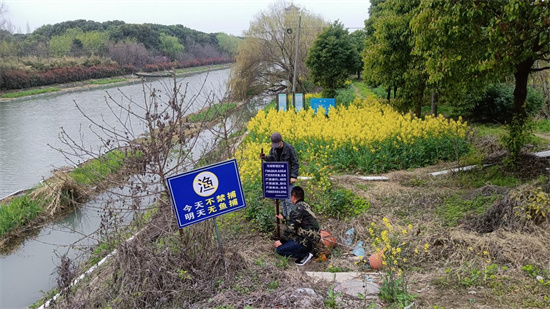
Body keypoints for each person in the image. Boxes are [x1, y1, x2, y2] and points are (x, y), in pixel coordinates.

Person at [274, 186, 320, 266]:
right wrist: (283, 219)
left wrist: (281, 241)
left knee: (279, 250)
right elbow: (295, 221)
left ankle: (304, 254)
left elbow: (291, 228)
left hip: (305, 240)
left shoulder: (297, 208)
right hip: (313, 239)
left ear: (293, 197)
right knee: (289, 242)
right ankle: (307, 251)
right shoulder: (305, 206)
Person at [260, 132, 299, 217]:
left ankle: (291, 220)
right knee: (282, 200)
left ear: (281, 141)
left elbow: (295, 163)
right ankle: (285, 217)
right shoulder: (273, 149)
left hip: (288, 178)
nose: (276, 146)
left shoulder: (289, 148)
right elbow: (272, 159)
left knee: (289, 200)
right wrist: (265, 157)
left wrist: (293, 176)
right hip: (279, 178)